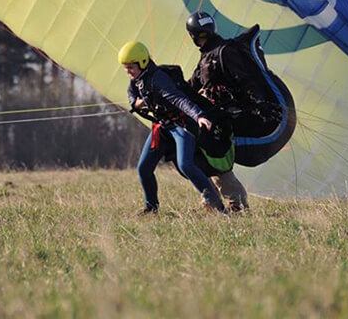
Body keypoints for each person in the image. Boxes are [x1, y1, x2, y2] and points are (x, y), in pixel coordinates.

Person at [185, 11, 297, 207]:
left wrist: (260, 105)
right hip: (232, 117)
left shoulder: (226, 52)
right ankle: (215, 200)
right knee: (199, 144)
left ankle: (232, 202)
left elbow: (249, 81)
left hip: (259, 122)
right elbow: (190, 88)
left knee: (211, 146)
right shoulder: (205, 59)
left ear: (192, 36)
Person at [118, 40, 227, 214]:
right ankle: (151, 207)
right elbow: (131, 93)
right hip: (162, 128)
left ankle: (217, 206)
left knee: (186, 165)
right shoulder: (137, 79)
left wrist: (199, 115)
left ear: (143, 63)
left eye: (130, 67)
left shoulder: (158, 79)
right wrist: (136, 103)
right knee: (144, 168)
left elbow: (179, 100)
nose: (127, 72)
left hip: (181, 126)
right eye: (125, 68)